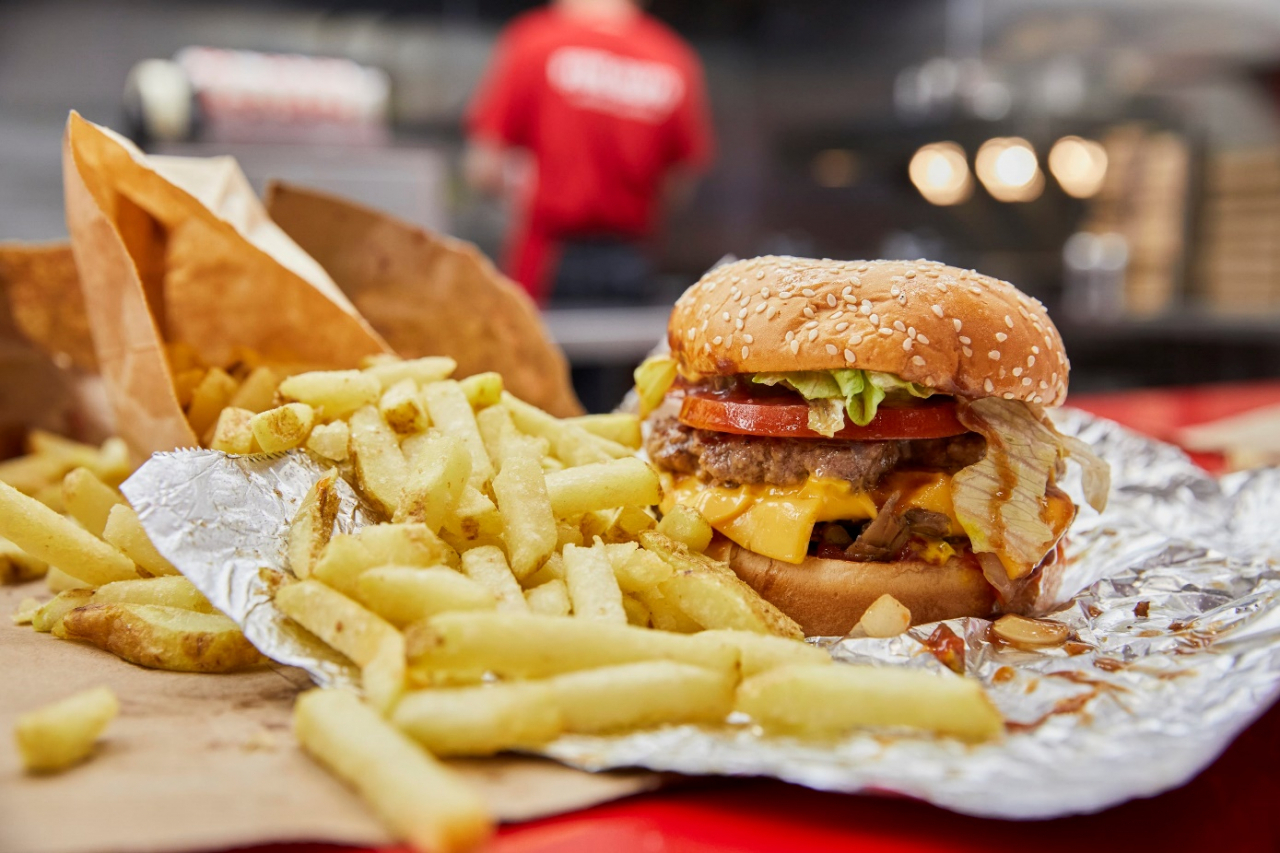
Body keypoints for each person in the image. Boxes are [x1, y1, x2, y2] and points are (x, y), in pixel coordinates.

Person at [464, 0, 714, 305]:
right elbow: (679, 184)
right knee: (626, 351)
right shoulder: (672, 58)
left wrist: (519, 192)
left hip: (548, 259)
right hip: (630, 260)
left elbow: (484, 168)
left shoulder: (535, 42)